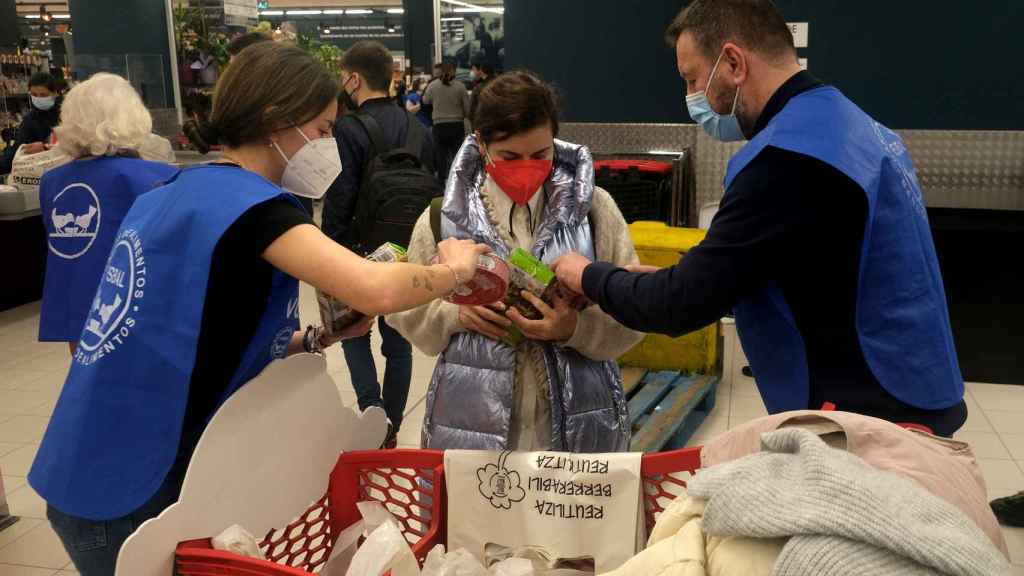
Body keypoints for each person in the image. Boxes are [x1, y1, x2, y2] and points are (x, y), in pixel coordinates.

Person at [28, 42, 489, 576]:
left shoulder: (175, 190)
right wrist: (452, 270)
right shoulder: (249, 208)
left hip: (93, 454)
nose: (326, 146)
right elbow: (375, 289)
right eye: (320, 131)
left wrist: (317, 339)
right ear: (276, 120)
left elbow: (200, 331)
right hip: (126, 482)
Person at [553, 0, 967, 437]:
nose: (690, 97)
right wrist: (679, 278)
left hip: (869, 416)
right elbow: (816, 267)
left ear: (733, 62)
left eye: (692, 79)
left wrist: (588, 276)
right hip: (916, 382)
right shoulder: (854, 127)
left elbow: (678, 305)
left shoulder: (788, 159)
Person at [388, 71, 643, 452]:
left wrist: (575, 328)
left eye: (540, 155)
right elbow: (403, 308)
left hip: (582, 425)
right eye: (510, 156)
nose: (527, 166)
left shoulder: (593, 210)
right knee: (483, 510)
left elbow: (634, 311)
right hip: (471, 423)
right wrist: (454, 316)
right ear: (481, 144)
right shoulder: (445, 217)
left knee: (568, 513)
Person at [323, 40, 437, 449]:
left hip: (357, 248)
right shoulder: (419, 129)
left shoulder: (348, 129)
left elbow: (340, 193)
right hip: (407, 247)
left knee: (353, 332)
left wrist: (330, 254)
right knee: (399, 338)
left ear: (354, 79)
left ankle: (373, 415)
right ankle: (391, 426)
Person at [38, 73, 179, 355]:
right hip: (138, 309)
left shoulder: (52, 181)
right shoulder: (157, 177)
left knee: (88, 383)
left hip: (76, 304)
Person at [0, 72, 61, 175]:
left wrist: (45, 147)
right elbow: (17, 150)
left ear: (55, 93)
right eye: (34, 95)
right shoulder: (30, 119)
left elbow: (76, 146)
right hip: (41, 175)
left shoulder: (67, 113)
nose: (38, 98)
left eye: (43, 95)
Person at [422, 62, 470, 184]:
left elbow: (425, 100)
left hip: (439, 125)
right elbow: (467, 109)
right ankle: (457, 182)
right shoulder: (460, 86)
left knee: (440, 155)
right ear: (453, 71)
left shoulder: (433, 85)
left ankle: (441, 182)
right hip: (456, 125)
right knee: (457, 155)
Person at [468, 61, 495, 128]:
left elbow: (472, 108)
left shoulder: (479, 87)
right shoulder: (498, 84)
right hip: (495, 119)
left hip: (482, 120)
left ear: (482, 71)